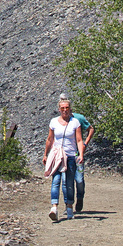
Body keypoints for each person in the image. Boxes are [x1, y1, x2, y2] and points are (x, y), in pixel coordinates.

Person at [43, 94, 85, 222]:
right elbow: (50, 139)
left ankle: (69, 206)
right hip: (57, 155)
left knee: (68, 183)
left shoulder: (75, 122)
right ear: (59, 109)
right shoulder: (54, 122)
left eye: (66, 108)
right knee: (56, 181)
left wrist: (81, 154)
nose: (64, 110)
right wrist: (46, 154)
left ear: (70, 109)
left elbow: (79, 140)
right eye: (62, 108)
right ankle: (54, 207)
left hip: (70, 155)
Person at [71, 108, 94, 213]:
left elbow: (91, 129)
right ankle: (69, 205)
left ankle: (80, 197)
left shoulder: (79, 118)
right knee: (67, 181)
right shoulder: (59, 120)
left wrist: (85, 144)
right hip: (66, 154)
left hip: (78, 154)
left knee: (79, 179)